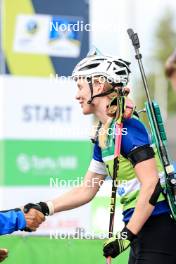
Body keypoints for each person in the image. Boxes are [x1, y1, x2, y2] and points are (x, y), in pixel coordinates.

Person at [25, 50, 176, 264]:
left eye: (79, 87)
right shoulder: (103, 134)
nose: (77, 96)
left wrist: (126, 236)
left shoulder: (128, 127)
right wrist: (45, 207)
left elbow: (151, 184)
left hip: (158, 229)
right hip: (139, 231)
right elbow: (87, 189)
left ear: (98, 85)